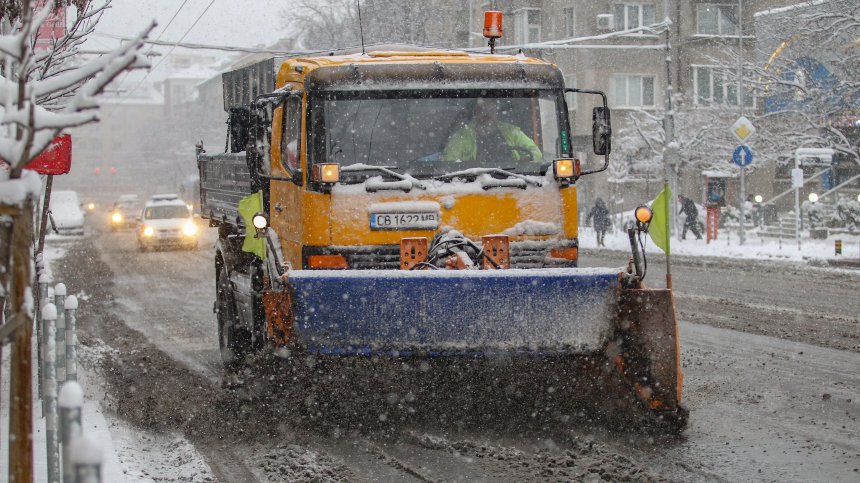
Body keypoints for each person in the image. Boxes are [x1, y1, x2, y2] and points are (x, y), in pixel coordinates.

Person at [443, 98, 542, 165]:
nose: (486, 114)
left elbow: (535, 152)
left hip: (512, 180)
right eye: (482, 110)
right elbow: (448, 162)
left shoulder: (511, 132)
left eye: (491, 110)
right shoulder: (462, 136)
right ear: (476, 113)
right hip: (473, 184)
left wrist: (527, 159)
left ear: (496, 112)